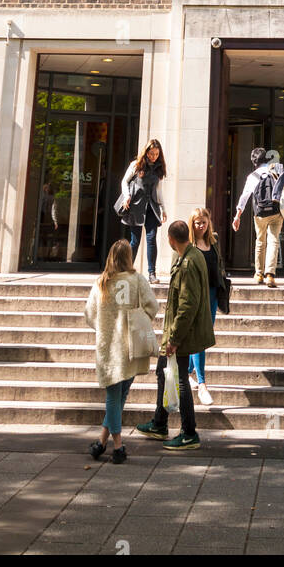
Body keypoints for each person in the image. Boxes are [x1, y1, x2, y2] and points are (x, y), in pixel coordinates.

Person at [135, 220, 214, 451]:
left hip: (182, 333)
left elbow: (187, 305)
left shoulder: (189, 262)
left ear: (170, 239)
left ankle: (189, 432)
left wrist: (174, 339)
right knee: (162, 371)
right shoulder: (190, 255)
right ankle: (160, 423)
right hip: (177, 331)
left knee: (180, 381)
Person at [85, 238, 158, 463]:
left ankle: (107, 444)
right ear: (129, 257)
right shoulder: (138, 280)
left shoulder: (101, 283)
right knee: (119, 396)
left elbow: (89, 315)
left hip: (109, 347)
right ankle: (111, 444)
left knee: (114, 397)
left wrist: (104, 326)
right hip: (131, 347)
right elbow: (153, 308)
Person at [232, 146, 284, 288]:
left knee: (260, 242)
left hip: (260, 214)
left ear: (254, 162)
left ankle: (259, 273)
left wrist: (237, 216)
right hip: (276, 212)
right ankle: (270, 275)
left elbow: (244, 197)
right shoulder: (276, 170)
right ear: (267, 159)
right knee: (274, 241)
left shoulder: (253, 176)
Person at [188, 206, 227, 406]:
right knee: (201, 339)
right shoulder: (189, 245)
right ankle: (202, 384)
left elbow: (219, 264)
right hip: (197, 295)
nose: (201, 226)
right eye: (197, 223)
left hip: (212, 292)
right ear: (192, 224)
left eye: (204, 222)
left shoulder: (213, 240)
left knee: (205, 333)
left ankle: (186, 371)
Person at [119, 138, 167, 284]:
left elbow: (159, 190)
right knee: (135, 241)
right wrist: (127, 196)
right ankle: (127, 271)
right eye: (151, 153)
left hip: (152, 207)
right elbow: (124, 181)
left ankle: (152, 273)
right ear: (146, 152)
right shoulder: (136, 165)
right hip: (136, 206)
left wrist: (163, 208)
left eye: (157, 154)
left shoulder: (159, 168)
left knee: (151, 238)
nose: (154, 156)